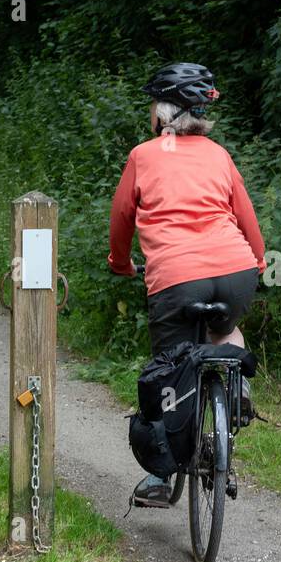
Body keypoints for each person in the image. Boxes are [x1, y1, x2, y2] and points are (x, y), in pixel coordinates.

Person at [108, 61, 265, 506]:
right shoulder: (219, 155)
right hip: (235, 272)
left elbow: (122, 218)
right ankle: (236, 388)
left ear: (163, 113)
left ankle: (161, 479)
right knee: (224, 328)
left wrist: (120, 263)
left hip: (177, 280)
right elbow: (246, 216)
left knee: (169, 369)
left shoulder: (143, 155)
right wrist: (259, 261)